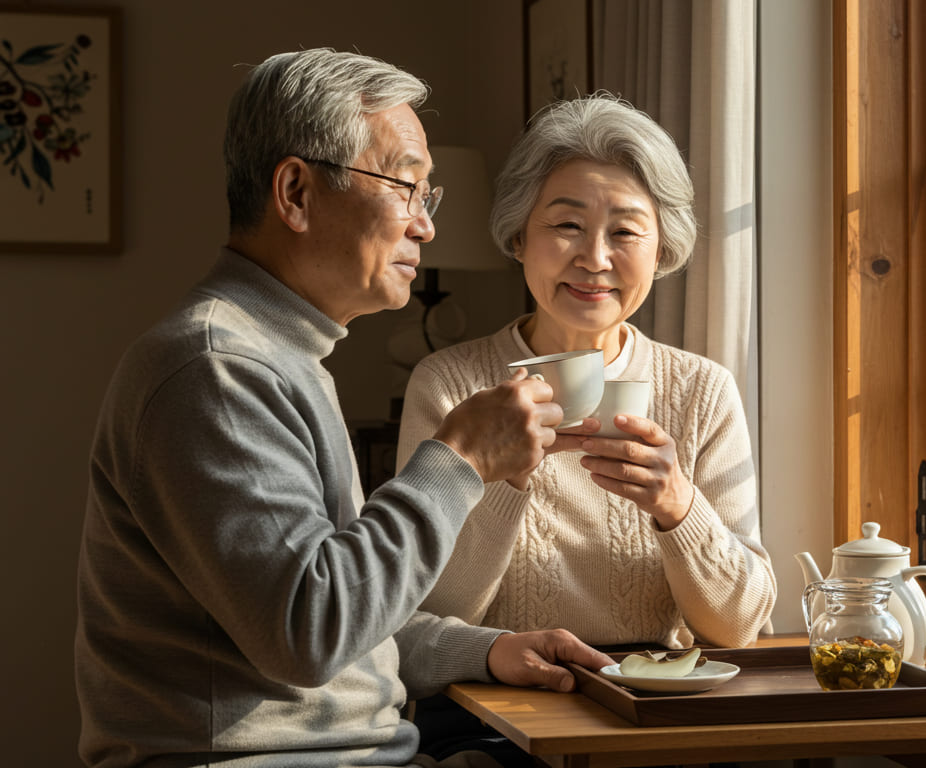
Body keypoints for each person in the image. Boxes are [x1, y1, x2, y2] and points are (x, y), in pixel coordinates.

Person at [73, 49, 612, 768]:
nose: (425, 225)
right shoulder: (216, 369)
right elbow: (310, 629)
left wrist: (487, 650)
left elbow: (347, 610)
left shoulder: (284, 357)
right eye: (407, 186)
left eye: (431, 196)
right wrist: (458, 462)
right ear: (295, 192)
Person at [395, 94, 776, 756]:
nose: (595, 258)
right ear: (519, 236)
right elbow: (421, 614)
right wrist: (504, 477)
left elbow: (739, 627)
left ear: (661, 250)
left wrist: (678, 508)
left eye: (626, 232)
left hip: (652, 719)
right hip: (491, 717)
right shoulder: (450, 384)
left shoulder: (701, 391)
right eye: (567, 226)